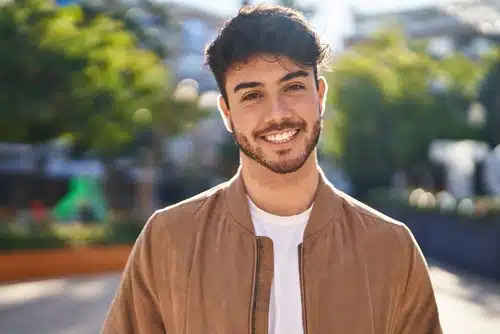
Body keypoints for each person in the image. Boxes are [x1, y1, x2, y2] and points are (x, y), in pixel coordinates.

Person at [101, 5, 442, 334]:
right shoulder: (168, 240)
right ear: (226, 113)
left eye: (293, 87)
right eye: (252, 96)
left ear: (320, 96)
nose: (277, 113)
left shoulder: (391, 248)